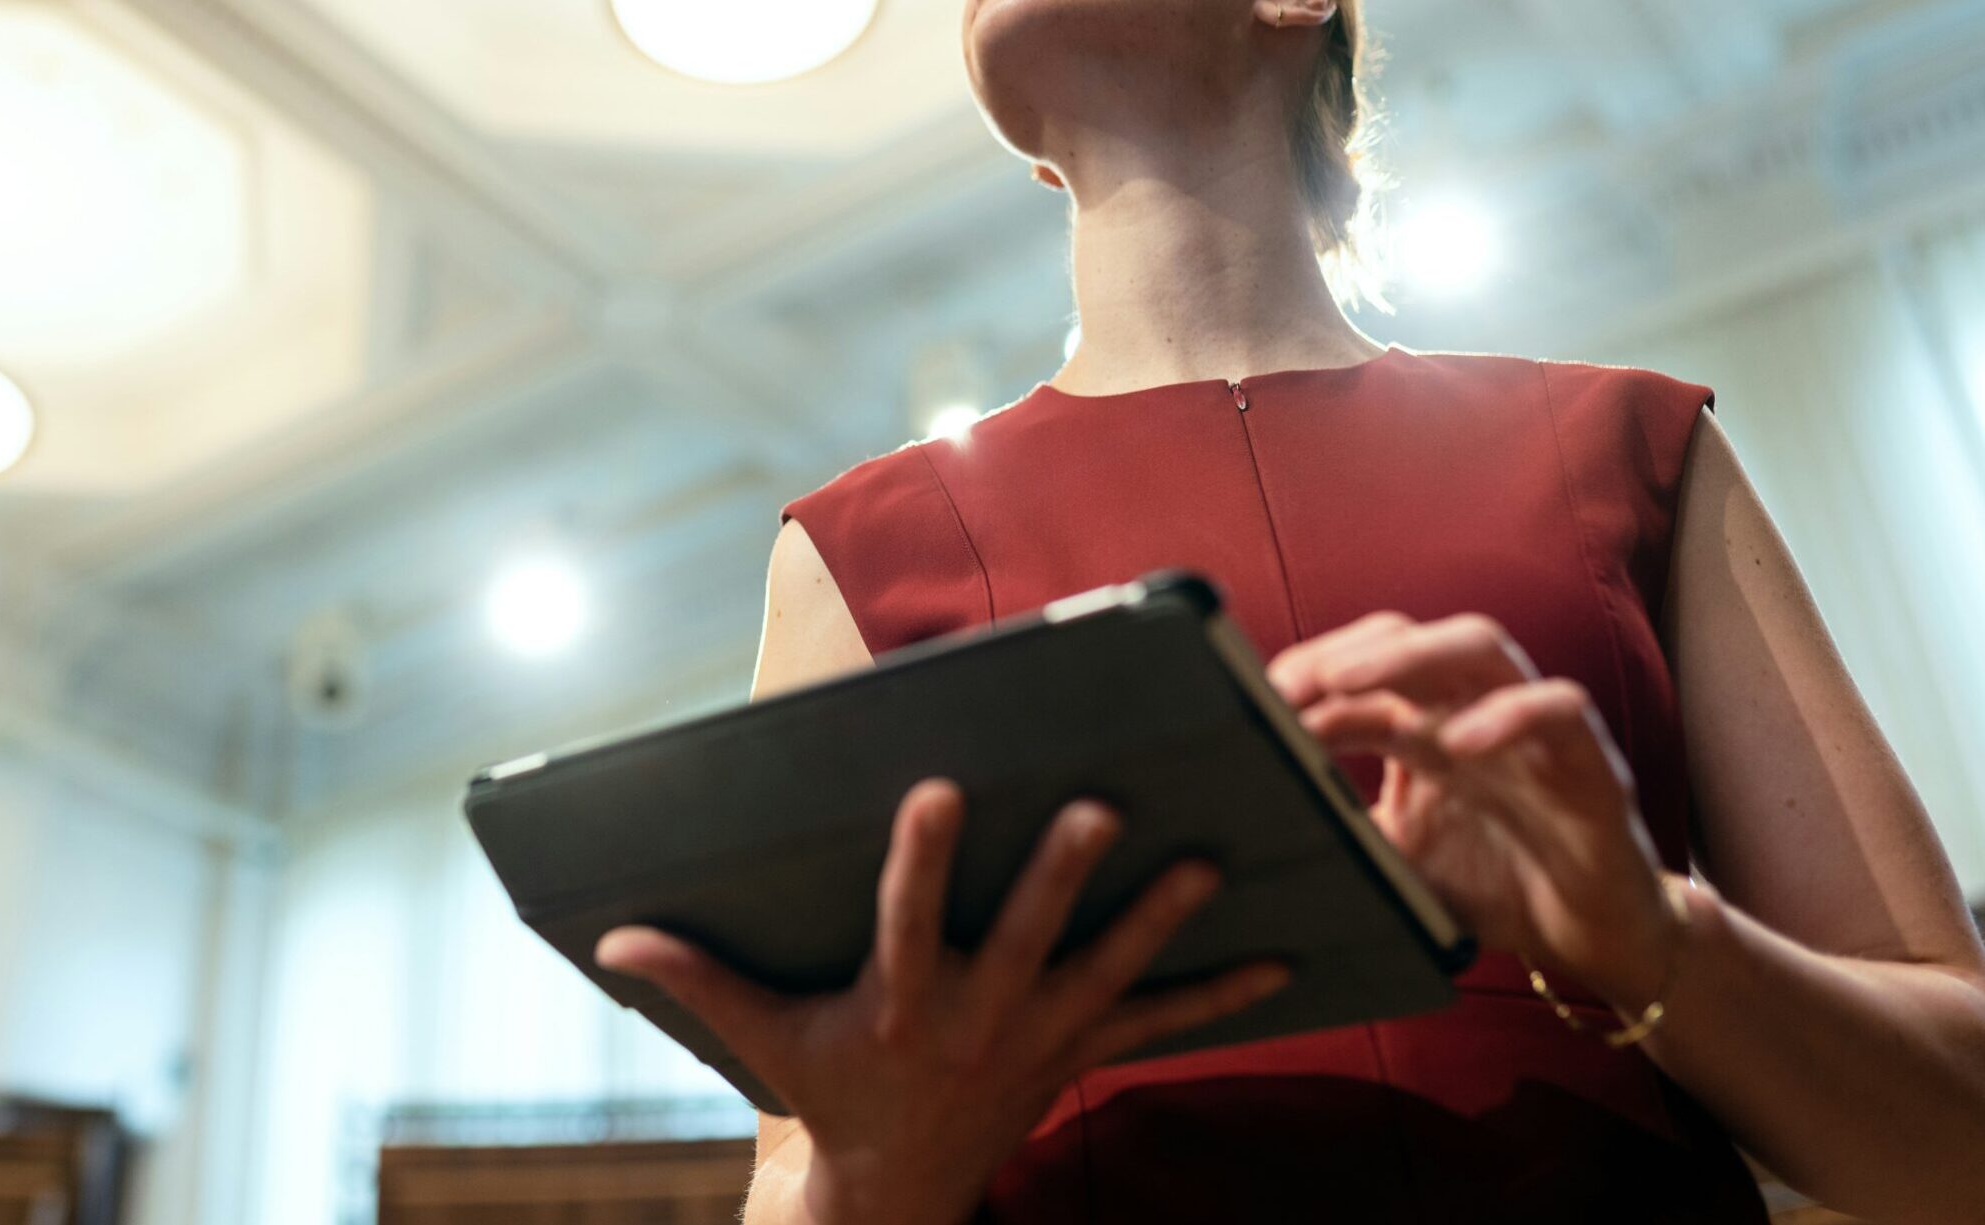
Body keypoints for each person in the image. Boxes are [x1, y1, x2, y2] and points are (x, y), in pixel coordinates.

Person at [589, 1, 1985, 1222]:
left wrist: (1654, 939)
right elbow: (792, 1176)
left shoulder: (1634, 449)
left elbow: (1963, 1133)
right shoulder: (851, 551)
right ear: (1024, 148)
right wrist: (870, 1175)